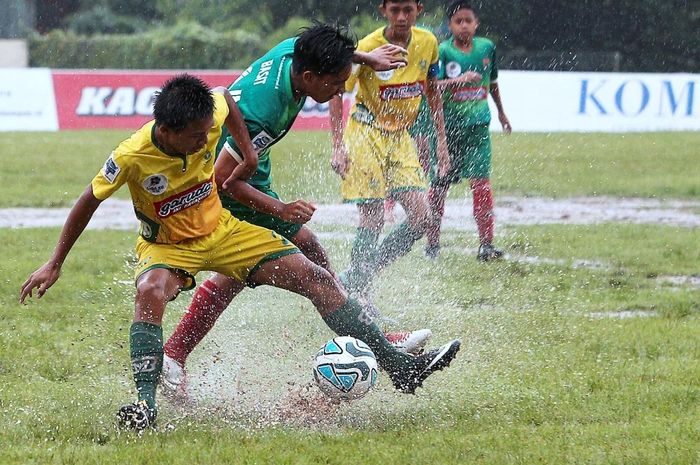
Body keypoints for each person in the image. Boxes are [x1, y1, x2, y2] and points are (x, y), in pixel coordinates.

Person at [19, 75, 460, 431]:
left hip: (224, 232)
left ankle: (397, 367)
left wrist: (247, 154)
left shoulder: (206, 111)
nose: (203, 144)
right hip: (169, 247)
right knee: (150, 290)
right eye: (195, 139)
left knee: (317, 277)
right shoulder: (131, 155)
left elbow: (227, 100)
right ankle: (145, 406)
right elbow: (87, 201)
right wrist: (55, 261)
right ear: (168, 131)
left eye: (204, 135)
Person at [161, 25, 434, 398]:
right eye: (336, 83)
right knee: (298, 253)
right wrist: (282, 208)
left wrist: (366, 58)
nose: (340, 91)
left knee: (253, 267)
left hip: (248, 168)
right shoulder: (266, 110)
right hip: (222, 184)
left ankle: (174, 353)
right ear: (309, 77)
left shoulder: (295, 54)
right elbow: (224, 180)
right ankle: (384, 348)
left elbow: (302, 47)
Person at [329, 0, 451, 302]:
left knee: (423, 218)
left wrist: (441, 140)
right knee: (373, 215)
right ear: (383, 9)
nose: (401, 17)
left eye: (407, 10)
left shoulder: (428, 42)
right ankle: (358, 291)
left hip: (400, 137)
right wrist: (337, 146)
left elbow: (432, 89)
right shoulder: (369, 45)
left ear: (419, 10)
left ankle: (364, 271)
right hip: (365, 133)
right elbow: (335, 88)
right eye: (394, 10)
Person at [424, 1, 512, 261]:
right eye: (458, 21)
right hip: (448, 129)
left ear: (476, 24)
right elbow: (431, 86)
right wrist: (458, 80)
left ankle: (486, 245)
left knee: (481, 185)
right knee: (439, 187)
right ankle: (432, 246)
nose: (464, 26)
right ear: (450, 25)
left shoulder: (487, 48)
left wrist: (501, 112)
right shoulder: (442, 51)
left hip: (478, 128)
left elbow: (492, 83)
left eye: (468, 21)